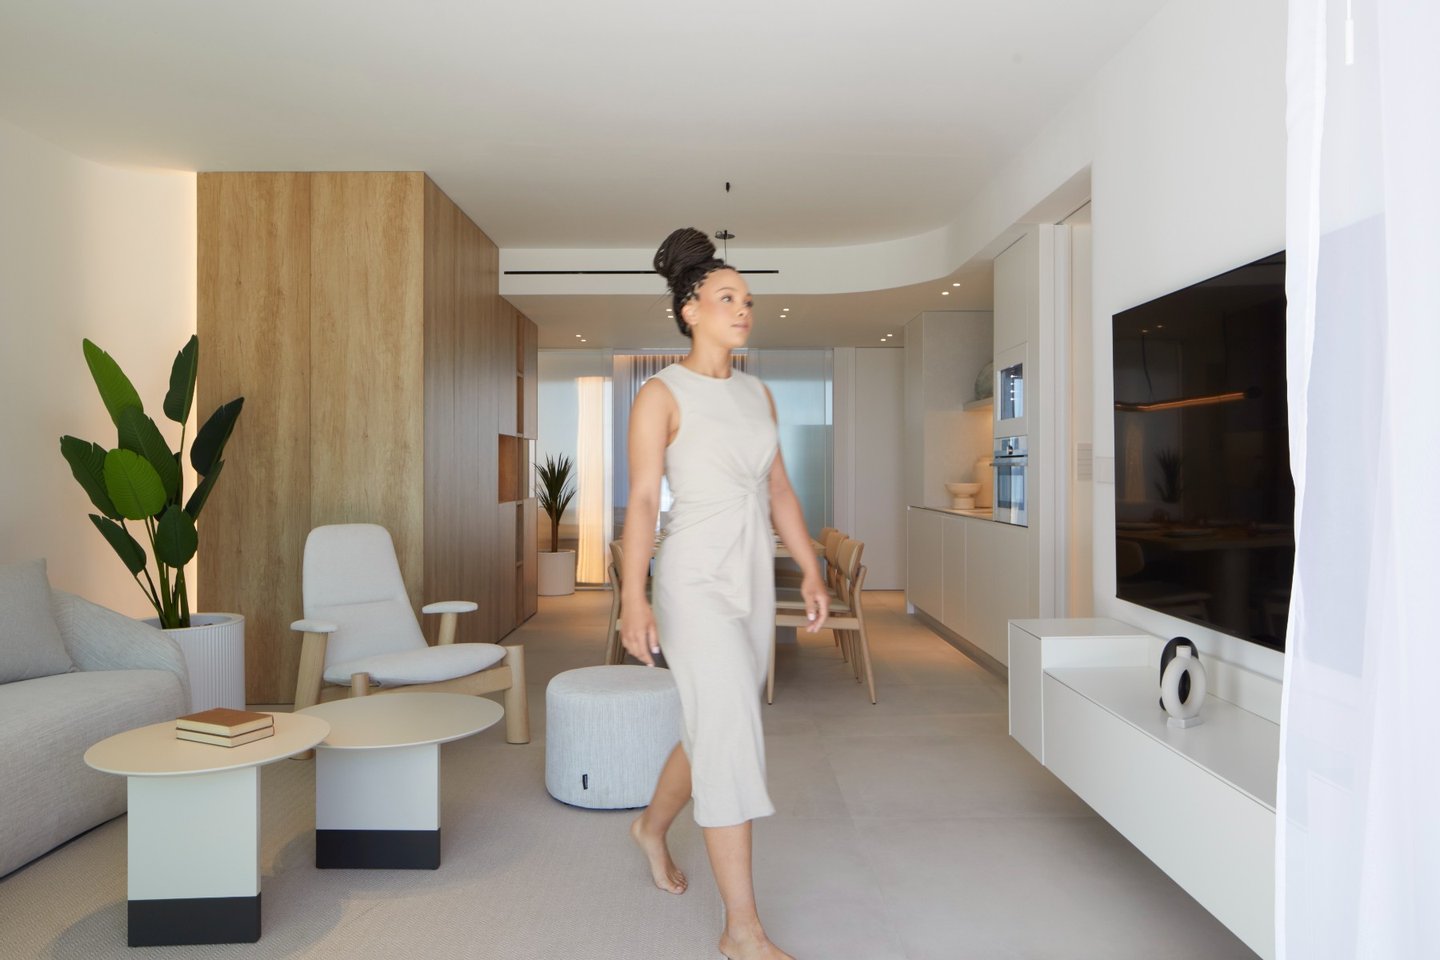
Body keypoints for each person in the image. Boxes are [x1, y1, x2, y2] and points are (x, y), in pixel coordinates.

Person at [620, 228, 830, 960]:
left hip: (749, 579)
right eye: (727, 297)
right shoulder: (660, 394)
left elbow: (780, 491)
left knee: (711, 725)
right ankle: (742, 930)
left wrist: (810, 568)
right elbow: (642, 502)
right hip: (693, 579)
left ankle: (650, 827)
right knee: (731, 735)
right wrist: (634, 597)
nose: (744, 309)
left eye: (748, 300)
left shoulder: (757, 392)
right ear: (690, 310)